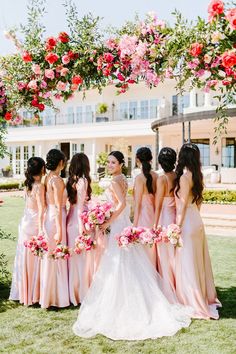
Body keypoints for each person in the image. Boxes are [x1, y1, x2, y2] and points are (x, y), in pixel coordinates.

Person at [73, 151, 192, 341]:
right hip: (122, 223)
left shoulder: (114, 181)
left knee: (116, 264)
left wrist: (106, 221)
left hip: (118, 223)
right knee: (124, 263)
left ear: (121, 164)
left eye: (113, 162)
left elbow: (120, 204)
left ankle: (119, 306)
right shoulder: (121, 179)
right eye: (108, 162)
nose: (110, 165)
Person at [174, 143, 221, 319]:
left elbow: (183, 205)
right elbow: (197, 203)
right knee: (197, 261)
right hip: (196, 220)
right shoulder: (197, 175)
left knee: (187, 262)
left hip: (187, 222)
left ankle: (191, 299)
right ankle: (200, 294)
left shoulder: (185, 177)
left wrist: (177, 226)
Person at [67, 153, 106, 305]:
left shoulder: (71, 180)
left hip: (70, 220)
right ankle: (82, 293)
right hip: (80, 220)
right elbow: (80, 206)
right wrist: (82, 225)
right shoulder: (82, 181)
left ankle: (73, 292)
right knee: (83, 260)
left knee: (74, 259)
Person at [9, 157, 45, 306]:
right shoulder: (39, 186)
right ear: (42, 169)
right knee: (34, 258)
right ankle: (34, 292)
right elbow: (42, 208)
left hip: (25, 222)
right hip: (34, 223)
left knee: (24, 257)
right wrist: (42, 228)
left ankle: (24, 291)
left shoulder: (28, 185)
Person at [40, 149, 69, 309]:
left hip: (49, 216)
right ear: (60, 163)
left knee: (50, 255)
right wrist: (59, 229)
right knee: (57, 253)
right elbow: (58, 206)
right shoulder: (57, 180)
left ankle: (47, 294)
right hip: (56, 217)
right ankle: (57, 296)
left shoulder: (46, 178)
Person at [154, 147, 177, 303]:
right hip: (175, 214)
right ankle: (177, 285)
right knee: (174, 254)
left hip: (164, 217)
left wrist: (155, 224)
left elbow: (158, 202)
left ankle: (167, 288)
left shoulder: (162, 179)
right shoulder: (177, 176)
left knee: (164, 254)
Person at [133, 147, 157, 267]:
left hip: (143, 216)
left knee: (143, 248)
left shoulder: (139, 178)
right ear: (151, 159)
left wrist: (134, 226)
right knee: (153, 247)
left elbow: (137, 205)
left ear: (137, 160)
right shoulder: (157, 176)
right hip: (155, 214)